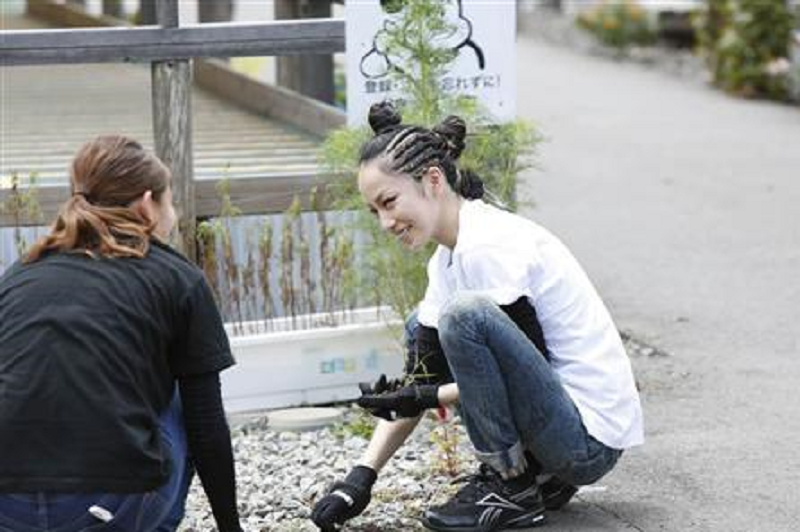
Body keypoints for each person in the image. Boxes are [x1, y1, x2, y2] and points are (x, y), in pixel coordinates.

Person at [310, 102, 644, 532]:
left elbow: (522, 370)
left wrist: (428, 397)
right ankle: (538, 476)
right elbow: (423, 381)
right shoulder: (447, 261)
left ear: (433, 180)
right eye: (375, 211)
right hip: (559, 432)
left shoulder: (488, 244)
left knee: (463, 316)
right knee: (423, 323)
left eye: (389, 202)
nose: (385, 223)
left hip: (587, 440)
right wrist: (358, 481)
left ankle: (511, 486)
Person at [0, 136, 243, 532]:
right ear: (148, 204)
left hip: (7, 506)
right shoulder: (176, 277)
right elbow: (207, 425)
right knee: (187, 392)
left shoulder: (20, 274)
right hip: (110, 506)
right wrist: (230, 527)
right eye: (171, 202)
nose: (174, 215)